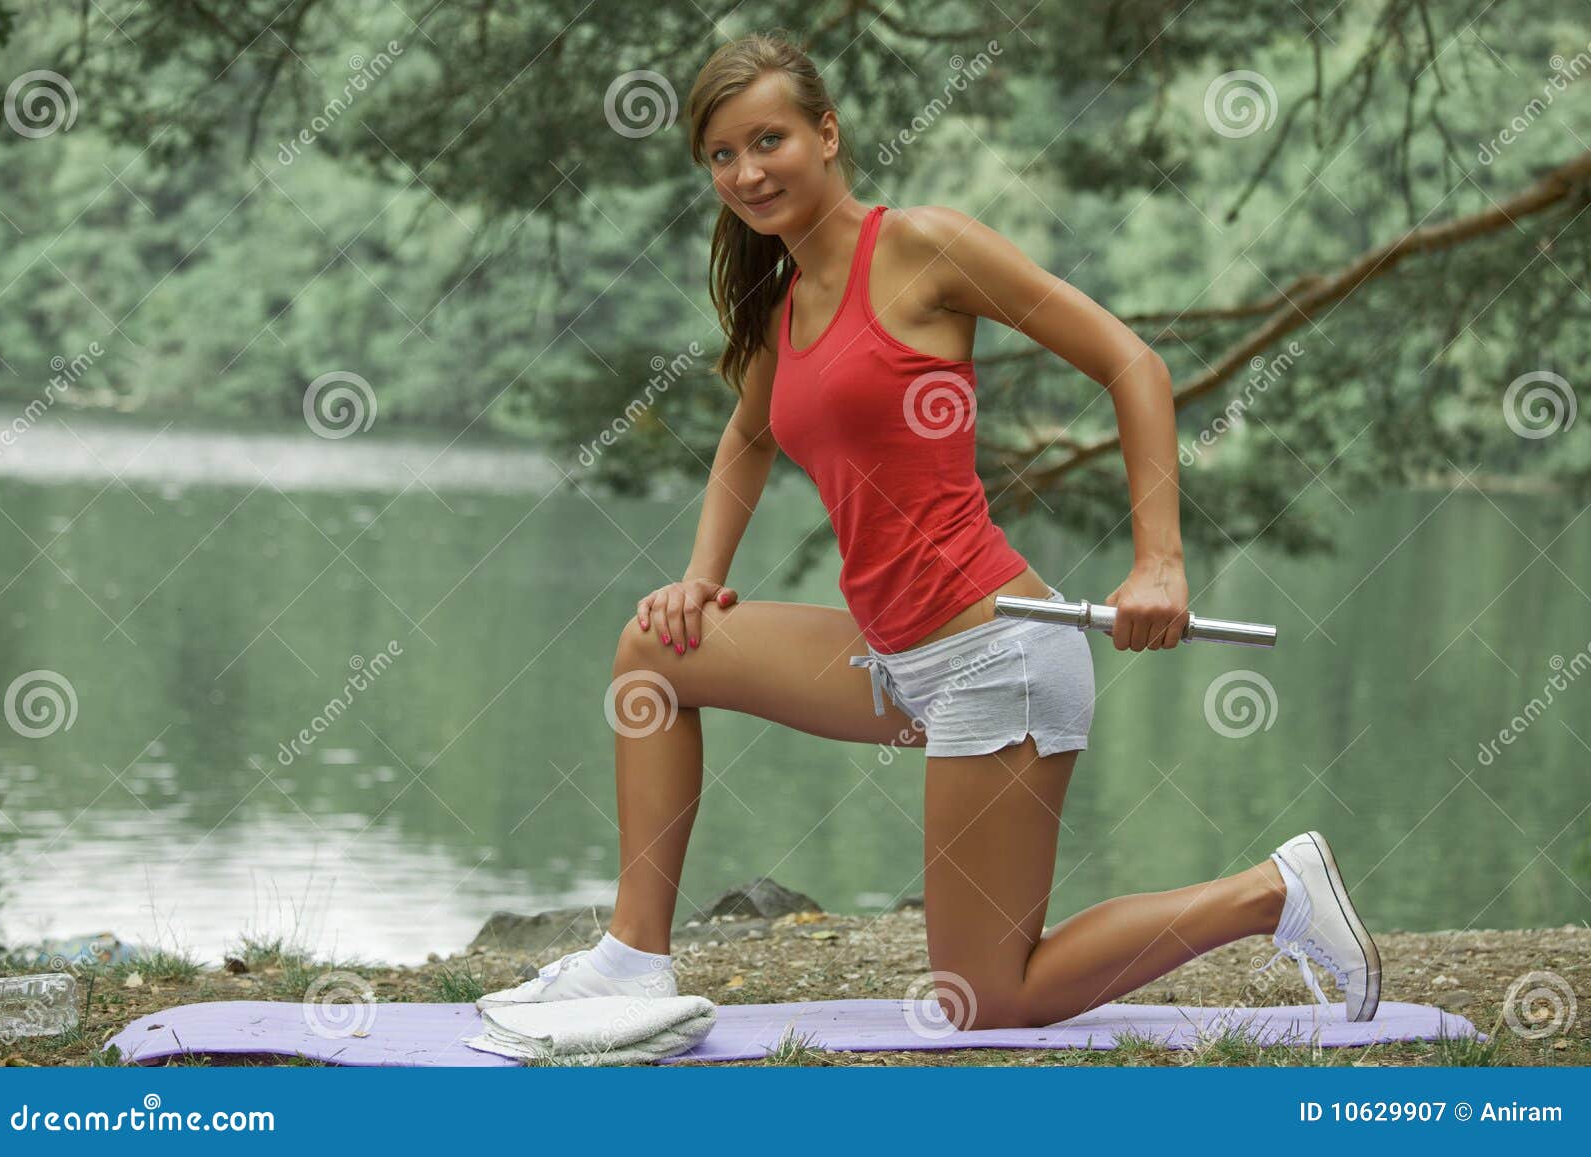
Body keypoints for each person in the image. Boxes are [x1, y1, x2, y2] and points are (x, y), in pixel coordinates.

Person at [478, 30, 1380, 1028]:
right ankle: (631, 955)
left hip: (998, 655)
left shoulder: (920, 248)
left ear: (826, 134)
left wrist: (1157, 561)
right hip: (891, 657)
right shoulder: (781, 307)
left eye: (767, 139)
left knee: (985, 996)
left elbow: (1135, 366)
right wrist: (699, 574)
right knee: (656, 646)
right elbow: (746, 439)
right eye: (722, 156)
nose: (745, 172)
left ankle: (1273, 891)